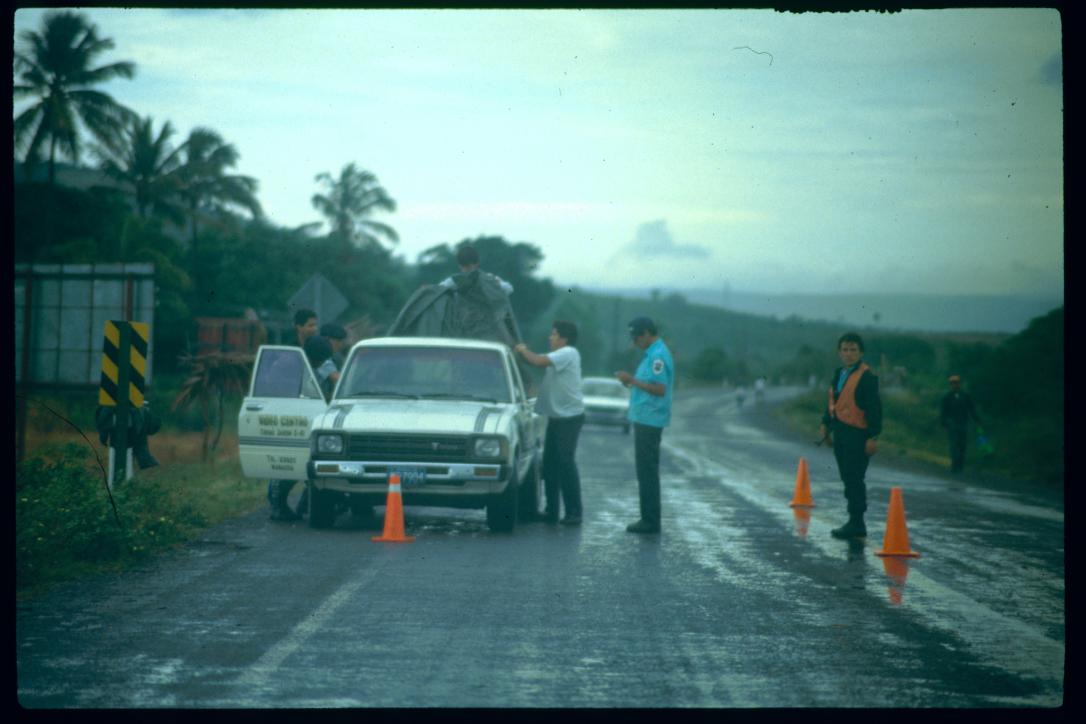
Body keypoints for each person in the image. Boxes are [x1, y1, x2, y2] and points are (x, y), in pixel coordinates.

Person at [515, 320, 585, 525]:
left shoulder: (568, 353)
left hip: (569, 418)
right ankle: (551, 511)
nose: (550, 337)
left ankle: (574, 512)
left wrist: (522, 349)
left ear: (564, 338)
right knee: (550, 465)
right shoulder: (559, 357)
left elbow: (536, 361)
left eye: (553, 334)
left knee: (565, 463)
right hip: (557, 417)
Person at [819, 332, 883, 540]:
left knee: (854, 478)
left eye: (853, 350)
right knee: (847, 476)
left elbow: (875, 409)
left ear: (861, 352)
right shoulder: (839, 374)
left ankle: (857, 523)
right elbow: (833, 404)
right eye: (845, 350)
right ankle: (854, 522)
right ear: (839, 352)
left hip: (858, 434)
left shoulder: (867, 377)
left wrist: (873, 437)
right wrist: (825, 425)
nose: (849, 354)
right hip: (841, 433)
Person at [615, 317, 674, 534]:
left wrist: (632, 380)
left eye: (638, 336)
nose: (636, 341)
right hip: (645, 418)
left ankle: (650, 520)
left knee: (647, 470)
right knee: (645, 469)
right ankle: (648, 518)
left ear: (648, 333)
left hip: (650, 419)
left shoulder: (657, 356)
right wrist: (633, 382)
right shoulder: (651, 354)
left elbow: (660, 389)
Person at [268, 308, 319, 521]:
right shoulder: (288, 351)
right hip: (289, 409)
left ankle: (302, 507)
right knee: (289, 463)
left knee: (308, 460)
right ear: (298, 327)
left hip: (308, 410)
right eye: (309, 325)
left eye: (315, 325)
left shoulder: (312, 348)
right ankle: (278, 507)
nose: (313, 329)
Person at [940, 374, 982, 473]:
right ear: (950, 385)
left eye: (956, 383)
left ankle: (960, 466)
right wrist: (944, 422)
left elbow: (971, 409)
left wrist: (977, 420)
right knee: (954, 446)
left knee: (962, 445)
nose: (954, 385)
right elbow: (943, 412)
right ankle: (954, 466)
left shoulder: (966, 396)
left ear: (960, 384)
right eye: (952, 383)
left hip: (963, 424)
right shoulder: (947, 397)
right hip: (952, 424)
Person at [439, 244, 514, 295]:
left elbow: (437, 290)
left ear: (460, 266)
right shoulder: (488, 278)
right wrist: (495, 283)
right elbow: (509, 289)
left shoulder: (454, 281)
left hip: (462, 317)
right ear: (478, 263)